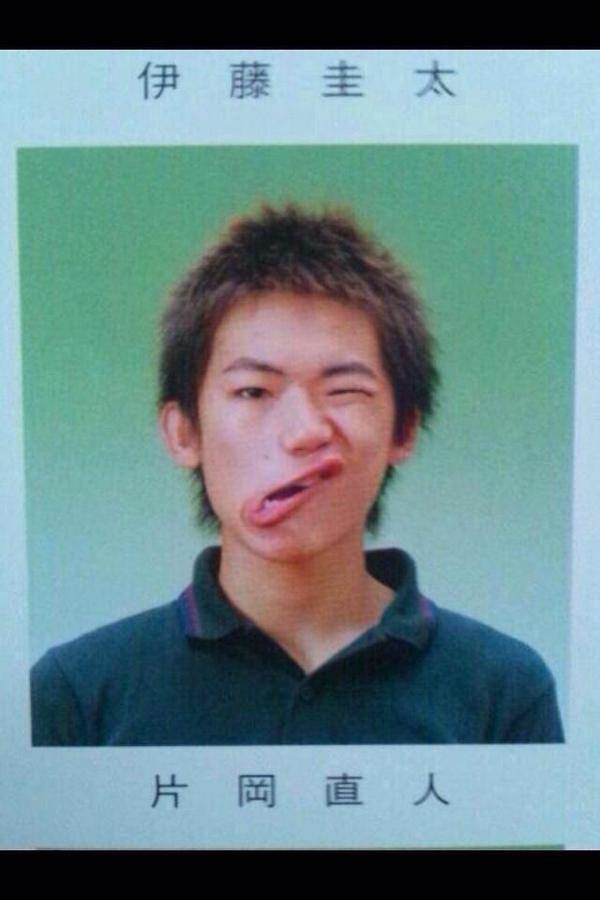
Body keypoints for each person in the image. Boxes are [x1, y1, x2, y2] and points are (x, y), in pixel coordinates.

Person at [30, 204, 564, 745]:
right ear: (184, 432)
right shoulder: (78, 695)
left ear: (403, 431)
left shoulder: (504, 691)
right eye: (253, 391)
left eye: (344, 391)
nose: (303, 431)